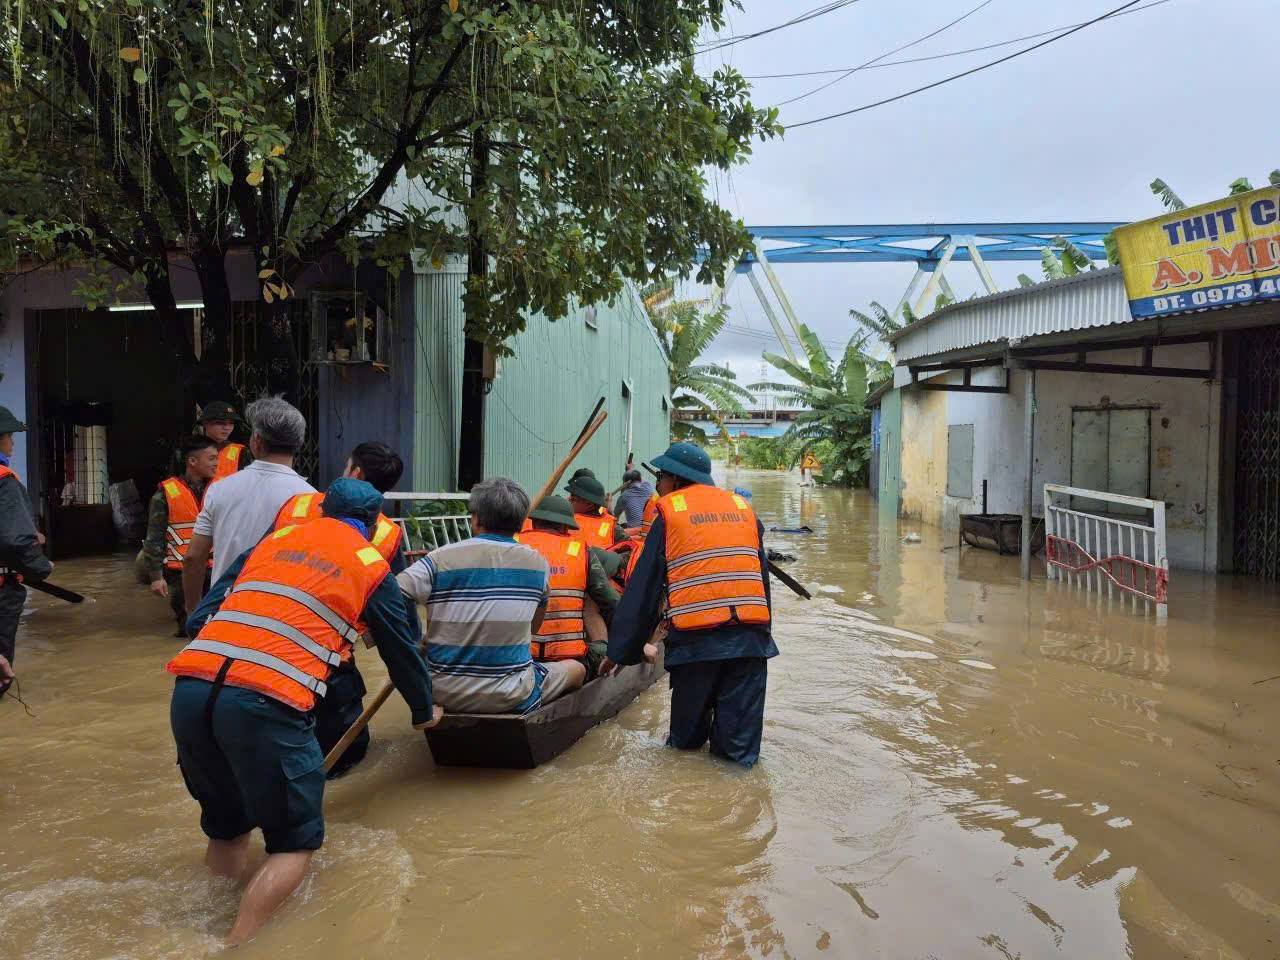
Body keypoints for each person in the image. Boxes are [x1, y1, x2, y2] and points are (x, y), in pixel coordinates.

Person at [167, 478, 441, 947]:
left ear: (321, 510)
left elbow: (198, 619)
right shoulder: (370, 565)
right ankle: (235, 946)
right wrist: (423, 709)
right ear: (374, 523)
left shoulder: (275, 540)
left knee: (227, 827)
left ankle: (198, 923)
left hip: (191, 689)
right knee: (295, 840)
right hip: (265, 699)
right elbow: (400, 650)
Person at [602, 442, 778, 767]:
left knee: (685, 748)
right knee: (737, 758)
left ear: (676, 480)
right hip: (751, 647)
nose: (657, 486)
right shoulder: (744, 510)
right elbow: (761, 583)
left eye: (661, 478)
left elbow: (644, 590)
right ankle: (741, 813)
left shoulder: (671, 514)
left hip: (698, 648)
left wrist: (619, 653)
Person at [270, 441, 408, 777]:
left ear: (355, 473)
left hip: (262, 645)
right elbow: (397, 613)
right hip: (329, 655)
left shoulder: (297, 506)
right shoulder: (388, 535)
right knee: (343, 753)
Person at [398, 477, 584, 714]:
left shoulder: (439, 558)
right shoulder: (537, 564)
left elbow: (391, 596)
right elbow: (533, 628)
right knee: (577, 670)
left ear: (475, 519)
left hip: (439, 693)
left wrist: (411, 644)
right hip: (511, 694)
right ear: (519, 522)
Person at [183, 397, 315, 618]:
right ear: (298, 444)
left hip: (227, 613)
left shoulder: (219, 490)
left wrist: (193, 613)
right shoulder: (311, 499)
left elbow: (193, 559)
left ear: (256, 441)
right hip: (282, 618)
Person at [518, 495, 619, 676]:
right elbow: (611, 603)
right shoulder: (581, 551)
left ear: (533, 522)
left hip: (519, 657)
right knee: (602, 646)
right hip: (570, 659)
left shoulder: (515, 545)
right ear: (565, 527)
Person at [140, 436, 219, 636]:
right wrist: (156, 577)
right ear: (192, 461)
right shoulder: (165, 494)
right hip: (181, 573)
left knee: (217, 625)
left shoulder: (221, 489)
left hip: (217, 569)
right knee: (189, 628)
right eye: (211, 459)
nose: (216, 463)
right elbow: (154, 537)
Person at [0, 405, 52, 671]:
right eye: (10, 436)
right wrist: (42, 568)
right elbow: (15, 540)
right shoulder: (5, 481)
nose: (12, 443)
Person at [199, 400, 252, 481]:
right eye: (220, 423)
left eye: (231, 423)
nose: (227, 428)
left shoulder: (241, 452)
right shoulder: (187, 451)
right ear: (205, 423)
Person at [564, 474, 619, 550]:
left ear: (588, 504)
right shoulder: (564, 519)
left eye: (573, 499)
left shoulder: (565, 523)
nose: (568, 500)